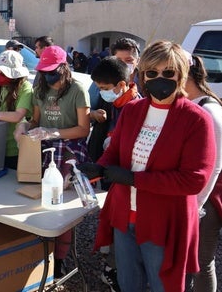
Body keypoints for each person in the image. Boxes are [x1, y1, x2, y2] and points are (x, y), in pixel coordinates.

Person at [79, 40, 216, 292]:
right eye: (151, 73)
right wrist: (100, 167)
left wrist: (134, 179)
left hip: (163, 221)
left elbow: (194, 179)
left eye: (168, 73)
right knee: (129, 284)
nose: (159, 78)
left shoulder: (196, 119)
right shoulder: (133, 110)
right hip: (125, 217)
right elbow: (116, 152)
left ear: (181, 75)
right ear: (143, 75)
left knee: (164, 284)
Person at [14, 45, 91, 279]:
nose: (48, 76)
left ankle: (59, 260)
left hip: (69, 149)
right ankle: (38, 253)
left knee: (61, 207)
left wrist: (54, 132)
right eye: (44, 71)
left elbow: (83, 129)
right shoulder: (40, 89)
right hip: (44, 148)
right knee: (35, 203)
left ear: (63, 67)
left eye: (52, 71)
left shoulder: (78, 89)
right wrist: (24, 127)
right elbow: (36, 119)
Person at [86, 56, 141, 292]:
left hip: (128, 179)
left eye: (105, 89)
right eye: (99, 89)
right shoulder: (115, 102)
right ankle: (114, 263)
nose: (103, 93)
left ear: (121, 85)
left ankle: (119, 270)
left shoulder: (134, 106)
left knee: (126, 231)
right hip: (112, 173)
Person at [184, 53, 222, 292]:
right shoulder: (189, 104)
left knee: (201, 261)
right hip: (192, 197)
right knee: (188, 260)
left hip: (207, 200)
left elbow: (216, 165)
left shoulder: (209, 110)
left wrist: (197, 205)